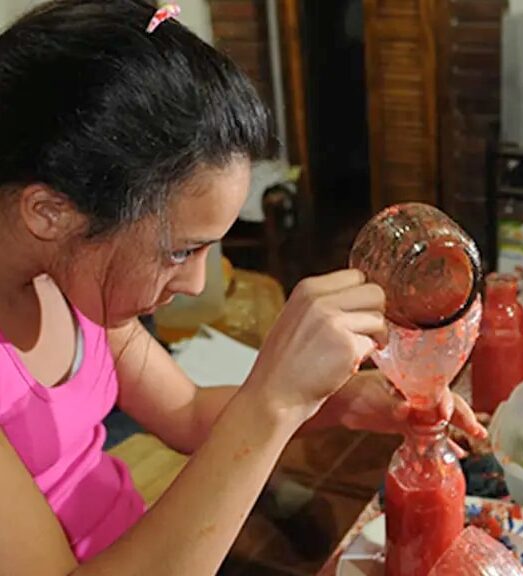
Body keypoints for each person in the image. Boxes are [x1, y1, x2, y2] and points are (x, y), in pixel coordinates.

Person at [0, 1, 485, 574]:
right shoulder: (79, 276)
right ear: (50, 212)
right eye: (180, 250)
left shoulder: (68, 281)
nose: (198, 280)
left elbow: (184, 413)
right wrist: (271, 402)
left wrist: (342, 401)